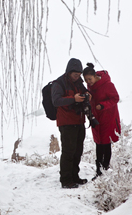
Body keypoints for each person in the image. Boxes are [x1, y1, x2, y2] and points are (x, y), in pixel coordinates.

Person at [51, 58, 90, 188]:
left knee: (78, 151)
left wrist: (87, 94)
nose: (77, 77)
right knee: (68, 152)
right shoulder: (59, 83)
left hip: (79, 121)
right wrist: (73, 99)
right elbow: (56, 101)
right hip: (66, 123)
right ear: (69, 72)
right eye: (75, 75)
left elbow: (84, 92)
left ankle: (75, 177)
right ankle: (66, 180)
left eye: (79, 75)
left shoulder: (79, 83)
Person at [83, 62, 121, 177]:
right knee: (98, 143)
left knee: (106, 143)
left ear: (95, 76)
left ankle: (104, 169)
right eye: (86, 80)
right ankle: (99, 171)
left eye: (90, 79)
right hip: (96, 118)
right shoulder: (90, 86)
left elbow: (115, 98)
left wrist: (103, 105)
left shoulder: (108, 84)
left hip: (108, 117)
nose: (88, 82)